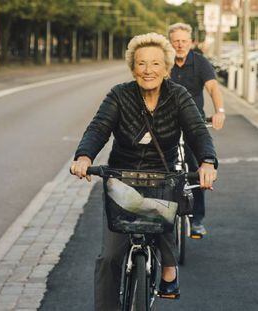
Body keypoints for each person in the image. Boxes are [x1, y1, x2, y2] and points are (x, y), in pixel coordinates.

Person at [70, 33, 218, 310]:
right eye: (141, 64)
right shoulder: (119, 94)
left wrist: (207, 162)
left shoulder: (178, 96)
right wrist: (84, 155)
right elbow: (99, 127)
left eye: (154, 64)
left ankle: (169, 267)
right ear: (132, 67)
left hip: (162, 175)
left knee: (163, 215)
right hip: (122, 178)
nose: (148, 70)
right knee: (110, 256)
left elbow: (198, 131)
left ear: (166, 68)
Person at [168, 23, 225, 237]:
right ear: (170, 43)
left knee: (198, 171)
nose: (180, 45)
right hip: (168, 123)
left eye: (184, 41)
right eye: (176, 41)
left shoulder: (200, 62)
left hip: (194, 124)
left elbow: (212, 88)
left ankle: (197, 219)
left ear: (191, 42)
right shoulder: (165, 62)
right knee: (160, 167)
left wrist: (219, 111)